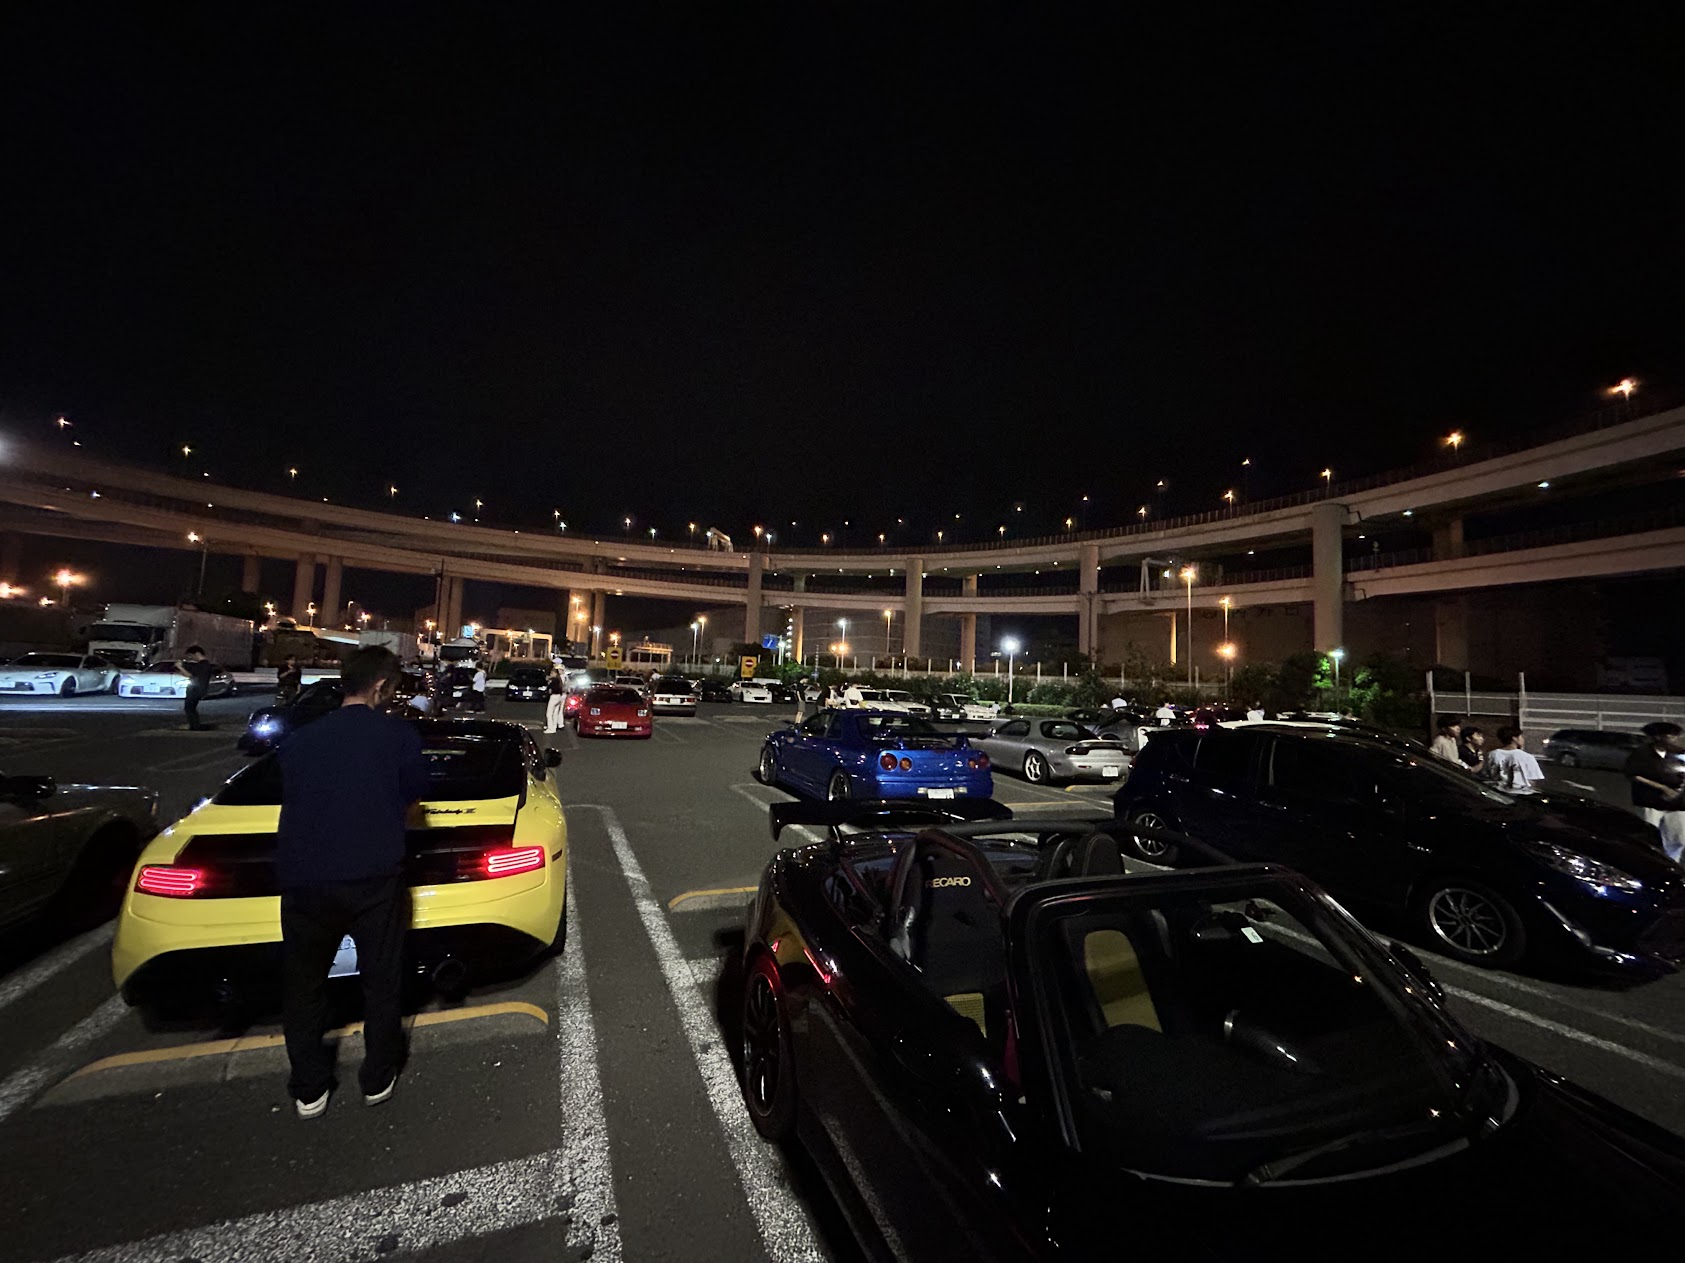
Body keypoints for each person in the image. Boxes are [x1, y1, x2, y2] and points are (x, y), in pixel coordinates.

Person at [275, 645, 428, 1119]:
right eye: (393, 687)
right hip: (373, 877)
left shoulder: (301, 737)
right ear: (381, 685)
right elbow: (413, 797)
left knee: (303, 985)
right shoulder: (396, 735)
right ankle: (378, 1074)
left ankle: (309, 1086)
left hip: (304, 878)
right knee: (380, 981)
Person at [1624, 722, 1685, 864]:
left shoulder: (1678, 754)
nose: (1675, 739)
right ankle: (1647, 864)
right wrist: (1663, 788)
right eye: (1671, 736)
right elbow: (1633, 774)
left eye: (1676, 736)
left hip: (1677, 803)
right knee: (1649, 836)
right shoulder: (1642, 753)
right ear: (1658, 737)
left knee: (1679, 838)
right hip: (1650, 802)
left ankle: (1671, 864)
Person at [1485, 726, 1545, 794]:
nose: (1523, 739)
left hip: (1498, 793)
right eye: (1521, 737)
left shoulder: (1493, 754)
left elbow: (1489, 773)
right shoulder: (1527, 757)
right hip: (1521, 793)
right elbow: (1533, 780)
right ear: (1514, 739)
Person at [175, 645, 217, 731]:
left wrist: (179, 667)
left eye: (191, 655)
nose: (191, 658)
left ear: (197, 653)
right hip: (199, 689)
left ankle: (194, 726)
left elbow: (190, 675)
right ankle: (195, 725)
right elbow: (192, 675)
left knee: (189, 708)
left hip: (195, 689)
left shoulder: (203, 664)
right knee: (191, 708)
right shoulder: (204, 664)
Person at [544, 669, 566, 734]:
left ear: (555, 673)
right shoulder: (559, 680)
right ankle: (554, 727)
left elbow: (549, 688)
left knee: (549, 713)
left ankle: (550, 728)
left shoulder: (554, 680)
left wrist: (549, 681)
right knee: (555, 713)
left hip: (554, 696)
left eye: (552, 673)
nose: (551, 674)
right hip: (559, 696)